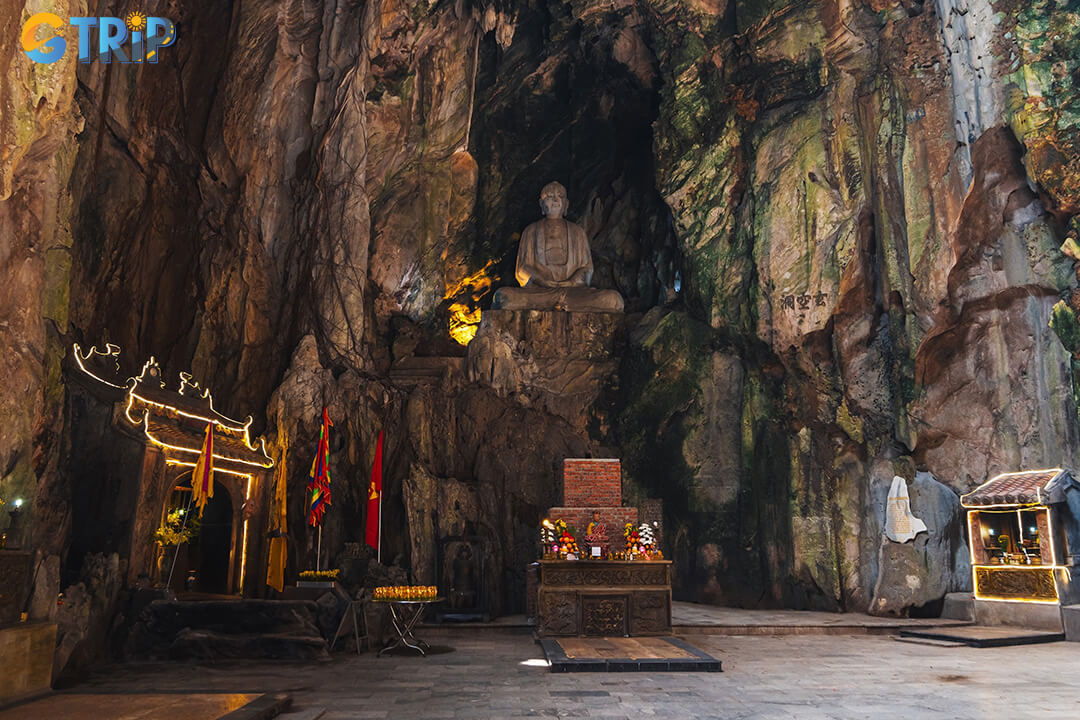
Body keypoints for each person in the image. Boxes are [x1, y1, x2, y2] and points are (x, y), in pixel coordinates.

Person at [492, 182, 624, 312]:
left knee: (614, 299)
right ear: (541, 204)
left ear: (566, 204)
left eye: (560, 196)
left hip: (573, 292)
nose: (555, 200)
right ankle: (563, 304)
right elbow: (522, 269)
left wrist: (571, 283)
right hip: (539, 292)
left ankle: (563, 303)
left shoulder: (577, 232)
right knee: (503, 297)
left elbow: (587, 268)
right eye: (549, 196)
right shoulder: (531, 231)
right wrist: (542, 281)